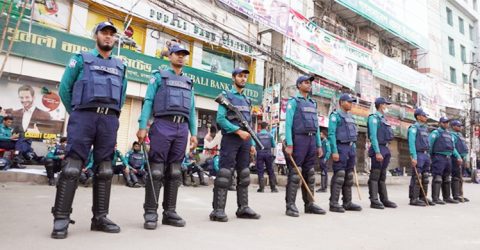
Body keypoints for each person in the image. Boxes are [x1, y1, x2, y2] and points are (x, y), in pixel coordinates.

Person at [50, 21, 128, 239]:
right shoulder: (80, 59)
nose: (108, 37)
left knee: (105, 169)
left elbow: (122, 95)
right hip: (84, 116)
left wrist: (111, 116)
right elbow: (65, 88)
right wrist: (75, 112)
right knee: (72, 168)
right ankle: (61, 218)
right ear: (97, 35)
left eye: (112, 34)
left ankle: (100, 217)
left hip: (109, 120)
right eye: (104, 33)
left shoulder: (121, 66)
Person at [137, 43, 197, 230]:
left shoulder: (188, 82)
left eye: (183, 55)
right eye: (177, 54)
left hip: (182, 128)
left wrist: (193, 133)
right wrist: (142, 126)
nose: (181, 57)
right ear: (169, 56)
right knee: (156, 171)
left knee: (175, 172)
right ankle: (150, 212)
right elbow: (148, 101)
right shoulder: (158, 76)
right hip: (163, 125)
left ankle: (169, 212)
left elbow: (192, 109)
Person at [209, 68, 260, 222]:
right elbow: (220, 119)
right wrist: (237, 131)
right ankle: (218, 210)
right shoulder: (226, 96)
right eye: (240, 76)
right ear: (233, 78)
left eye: (245, 76)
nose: (243, 79)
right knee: (225, 174)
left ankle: (243, 207)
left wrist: (251, 143)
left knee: (244, 174)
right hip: (231, 139)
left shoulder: (247, 100)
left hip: (245, 141)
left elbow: (249, 124)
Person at [283, 75, 325, 217]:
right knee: (295, 174)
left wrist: (319, 145)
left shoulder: (313, 103)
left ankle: (309, 204)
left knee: (310, 174)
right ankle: (290, 205)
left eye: (310, 83)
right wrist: (289, 143)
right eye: (306, 82)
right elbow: (288, 124)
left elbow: (317, 126)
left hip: (311, 140)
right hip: (299, 140)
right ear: (299, 85)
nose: (309, 85)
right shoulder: (293, 102)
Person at [328, 93, 362, 213]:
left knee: (349, 177)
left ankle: (347, 202)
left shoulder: (351, 117)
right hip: (340, 147)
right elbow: (331, 134)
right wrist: (334, 151)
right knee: (339, 176)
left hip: (350, 148)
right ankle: (334, 203)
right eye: (348, 101)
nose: (351, 104)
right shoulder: (335, 116)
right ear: (341, 102)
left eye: (352, 102)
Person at [367, 97, 397, 209]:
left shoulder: (384, 119)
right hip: (378, 148)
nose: (386, 107)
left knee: (382, 176)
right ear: (380, 105)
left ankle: (384, 199)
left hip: (385, 148)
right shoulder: (373, 118)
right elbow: (373, 136)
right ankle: (374, 200)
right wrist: (377, 152)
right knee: (375, 175)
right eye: (385, 105)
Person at [429, 117, 462, 205]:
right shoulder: (435, 133)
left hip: (448, 157)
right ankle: (435, 198)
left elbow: (453, 148)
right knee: (437, 178)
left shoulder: (449, 134)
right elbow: (430, 145)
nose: (446, 124)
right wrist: (430, 156)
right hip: (439, 156)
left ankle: (447, 197)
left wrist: (458, 156)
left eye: (447, 122)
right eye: (444, 122)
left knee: (447, 178)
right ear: (440, 123)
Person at [407, 108, 432, 206]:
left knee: (425, 177)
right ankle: (414, 198)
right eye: (424, 115)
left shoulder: (425, 128)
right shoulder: (414, 128)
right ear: (418, 116)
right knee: (417, 177)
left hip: (426, 155)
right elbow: (411, 143)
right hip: (418, 154)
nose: (425, 117)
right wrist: (413, 156)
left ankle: (423, 197)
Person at [450, 119, 470, 202]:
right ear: (453, 126)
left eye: (460, 126)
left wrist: (465, 158)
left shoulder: (460, 135)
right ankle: (456, 195)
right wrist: (458, 156)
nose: (460, 127)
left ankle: (460, 194)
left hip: (462, 158)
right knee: (456, 177)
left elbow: (464, 147)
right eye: (458, 126)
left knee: (460, 177)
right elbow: (452, 147)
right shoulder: (452, 135)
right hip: (455, 158)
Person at [255, 121, 278, 193]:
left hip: (260, 153)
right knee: (270, 170)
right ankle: (273, 188)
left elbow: (254, 145)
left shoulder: (257, 135)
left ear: (260, 127)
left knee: (260, 170)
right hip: (268, 153)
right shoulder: (270, 135)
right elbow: (274, 145)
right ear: (266, 127)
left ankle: (261, 188)